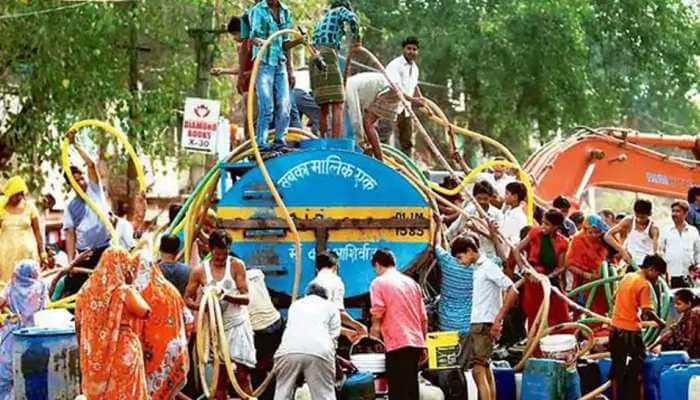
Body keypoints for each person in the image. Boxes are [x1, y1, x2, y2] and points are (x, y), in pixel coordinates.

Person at [184, 230, 256, 400]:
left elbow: (246, 298)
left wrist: (226, 295)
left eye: (224, 255)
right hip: (215, 330)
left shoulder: (236, 265)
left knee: (242, 376)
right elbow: (187, 298)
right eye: (217, 255)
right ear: (210, 250)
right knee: (219, 379)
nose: (221, 259)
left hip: (237, 325)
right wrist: (202, 307)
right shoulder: (200, 271)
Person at [75, 248, 151, 399]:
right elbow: (145, 311)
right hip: (123, 350)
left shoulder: (84, 291)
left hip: (94, 354)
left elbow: (78, 325)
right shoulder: (123, 291)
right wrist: (132, 285)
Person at [452, 236, 517, 400]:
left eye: (460, 257)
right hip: (479, 322)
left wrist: (498, 319)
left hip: (483, 323)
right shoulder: (478, 268)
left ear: (469, 251)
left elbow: (513, 290)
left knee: (478, 369)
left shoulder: (488, 267)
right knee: (485, 367)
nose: (460, 262)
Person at [369, 249, 427, 400]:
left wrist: (372, 340)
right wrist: (424, 344)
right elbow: (423, 318)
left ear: (377, 265)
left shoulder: (378, 283)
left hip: (396, 343)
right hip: (415, 342)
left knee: (397, 389)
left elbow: (377, 314)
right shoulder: (412, 284)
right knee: (411, 388)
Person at [134, 252, 192, 400]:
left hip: (152, 355)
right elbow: (188, 319)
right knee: (168, 393)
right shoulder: (170, 289)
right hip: (175, 349)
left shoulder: (136, 293)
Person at [608, 255, 667, 400]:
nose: (656, 279)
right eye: (657, 275)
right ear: (651, 269)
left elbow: (614, 298)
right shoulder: (643, 284)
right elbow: (647, 311)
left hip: (614, 329)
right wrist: (660, 323)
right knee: (637, 371)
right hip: (630, 332)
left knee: (617, 370)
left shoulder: (627, 276)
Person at [62, 130, 111, 296]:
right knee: (82, 291)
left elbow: (91, 165)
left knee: (107, 288)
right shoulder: (70, 207)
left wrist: (75, 144)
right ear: (70, 185)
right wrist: (71, 262)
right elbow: (70, 234)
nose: (81, 182)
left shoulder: (95, 190)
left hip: (105, 247)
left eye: (81, 178)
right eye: (76, 181)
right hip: (86, 254)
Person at [273, 282, 340, 400]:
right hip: (320, 350)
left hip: (288, 350)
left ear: (307, 294)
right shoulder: (330, 306)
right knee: (324, 394)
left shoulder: (295, 305)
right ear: (325, 296)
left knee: (282, 393)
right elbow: (333, 337)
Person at [310, 0, 361, 138]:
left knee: (324, 104)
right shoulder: (339, 11)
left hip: (314, 57)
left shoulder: (322, 20)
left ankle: (324, 139)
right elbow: (352, 18)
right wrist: (357, 39)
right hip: (327, 54)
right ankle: (336, 142)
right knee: (338, 102)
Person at [0, 260, 48, 399]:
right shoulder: (40, 287)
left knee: (4, 380)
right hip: (34, 340)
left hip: (10, 338)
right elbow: (46, 308)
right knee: (31, 379)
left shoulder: (11, 286)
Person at [249, 0, 294, 150]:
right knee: (267, 107)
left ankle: (279, 140)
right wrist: (262, 42)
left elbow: (286, 43)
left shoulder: (285, 11)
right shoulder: (258, 10)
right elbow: (253, 37)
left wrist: (299, 41)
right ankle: (261, 144)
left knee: (284, 104)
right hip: (264, 63)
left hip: (280, 64)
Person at [516, 209, 571, 328]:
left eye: (547, 224)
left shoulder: (563, 242)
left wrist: (547, 277)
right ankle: (535, 343)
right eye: (542, 223)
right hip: (532, 279)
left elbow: (561, 267)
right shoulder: (534, 233)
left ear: (556, 226)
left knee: (560, 314)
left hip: (551, 281)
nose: (543, 226)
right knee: (535, 315)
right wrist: (523, 269)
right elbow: (517, 250)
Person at [384, 36, 427, 157]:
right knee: (385, 136)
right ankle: (381, 164)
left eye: (414, 49)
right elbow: (395, 89)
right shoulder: (395, 65)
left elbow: (414, 86)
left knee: (407, 141)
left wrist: (421, 100)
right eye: (409, 48)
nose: (411, 52)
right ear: (403, 49)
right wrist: (414, 100)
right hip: (390, 106)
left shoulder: (415, 69)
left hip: (406, 109)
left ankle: (407, 170)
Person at [311, 251, 368, 341]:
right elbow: (338, 313)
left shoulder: (313, 284)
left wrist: (346, 331)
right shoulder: (336, 281)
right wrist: (358, 326)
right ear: (336, 267)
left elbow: (318, 321)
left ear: (317, 269)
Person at [344, 72, 402, 160]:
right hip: (390, 89)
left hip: (389, 91)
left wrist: (361, 142)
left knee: (368, 124)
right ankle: (373, 153)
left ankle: (380, 160)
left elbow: (355, 120)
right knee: (367, 125)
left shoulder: (347, 90)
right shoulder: (351, 83)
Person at [566, 215, 615, 317]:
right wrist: (587, 275)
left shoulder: (605, 241)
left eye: (597, 232)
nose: (593, 235)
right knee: (584, 312)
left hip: (603, 285)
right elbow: (570, 264)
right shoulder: (577, 241)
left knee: (603, 314)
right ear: (585, 230)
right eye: (590, 232)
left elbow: (614, 258)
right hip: (584, 285)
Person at [247, 266, 284, 400]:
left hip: (259, 330)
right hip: (277, 322)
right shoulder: (257, 274)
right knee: (272, 364)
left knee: (257, 369)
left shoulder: (231, 283)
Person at [447, 180, 505, 263]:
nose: (482, 202)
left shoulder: (498, 215)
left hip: (491, 259)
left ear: (491, 198)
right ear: (474, 197)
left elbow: (500, 240)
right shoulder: (469, 212)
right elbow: (452, 231)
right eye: (479, 198)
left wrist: (479, 230)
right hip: (471, 260)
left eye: (485, 199)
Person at [0, 176, 45, 282]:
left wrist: (43, 253)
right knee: (8, 286)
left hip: (28, 256)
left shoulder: (30, 207)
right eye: (15, 195)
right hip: (6, 257)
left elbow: (38, 232)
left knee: (29, 286)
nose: (18, 197)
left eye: (20, 194)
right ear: (9, 194)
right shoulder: (1, 208)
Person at [605, 199, 660, 267]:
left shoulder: (653, 228)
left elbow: (656, 251)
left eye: (642, 217)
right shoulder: (629, 220)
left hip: (645, 265)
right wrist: (622, 251)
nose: (639, 219)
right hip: (629, 262)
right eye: (637, 216)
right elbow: (607, 236)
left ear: (649, 214)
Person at [659, 200, 700, 288]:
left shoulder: (693, 231)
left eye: (677, 211)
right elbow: (660, 250)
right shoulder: (666, 230)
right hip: (670, 275)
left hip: (689, 276)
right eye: (673, 211)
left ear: (685, 214)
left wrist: (698, 266)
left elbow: (698, 252)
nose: (674, 214)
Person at [653, 289, 700, 358]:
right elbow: (671, 331)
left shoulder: (694, 313)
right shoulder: (686, 314)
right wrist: (651, 346)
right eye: (674, 303)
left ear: (689, 304)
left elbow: (691, 339)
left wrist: (683, 354)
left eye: (678, 304)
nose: (675, 306)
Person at [501, 181, 529, 247]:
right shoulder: (509, 210)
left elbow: (504, 235)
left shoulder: (517, 216)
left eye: (507, 193)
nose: (504, 196)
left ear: (515, 197)